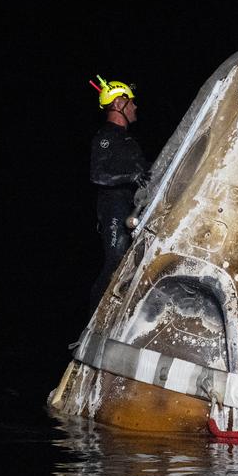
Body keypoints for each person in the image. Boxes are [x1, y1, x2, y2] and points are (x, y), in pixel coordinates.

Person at [89, 75, 149, 312]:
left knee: (132, 263)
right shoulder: (106, 136)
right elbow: (97, 175)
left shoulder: (129, 141)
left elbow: (146, 173)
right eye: (131, 101)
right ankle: (93, 320)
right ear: (118, 104)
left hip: (132, 207)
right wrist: (131, 177)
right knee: (115, 261)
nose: (135, 106)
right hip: (113, 207)